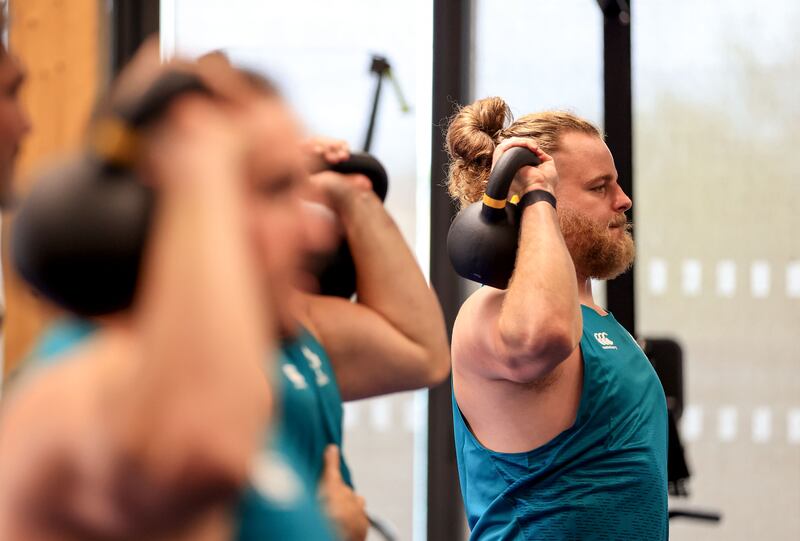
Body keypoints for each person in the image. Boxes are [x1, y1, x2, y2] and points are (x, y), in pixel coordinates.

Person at [0, 49, 336, 541]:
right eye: (274, 188)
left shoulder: (234, 383)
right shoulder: (78, 384)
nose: (317, 234)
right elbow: (203, 447)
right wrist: (200, 157)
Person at [239, 72, 452, 541]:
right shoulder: (166, 354)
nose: (315, 234)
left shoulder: (295, 319)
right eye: (277, 189)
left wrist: (350, 196)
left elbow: (423, 352)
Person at [446, 97, 668, 540]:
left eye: (617, 184)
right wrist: (536, 197)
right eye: (599, 187)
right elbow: (543, 335)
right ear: (531, 194)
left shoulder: (600, 321)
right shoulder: (491, 312)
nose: (623, 201)